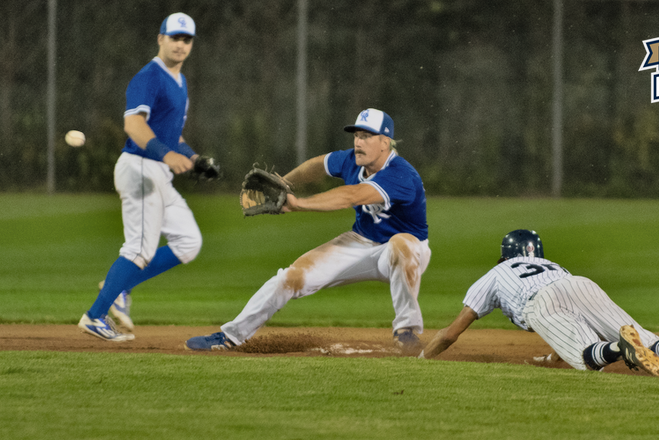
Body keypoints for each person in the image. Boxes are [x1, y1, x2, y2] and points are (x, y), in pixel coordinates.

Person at [185, 108, 430, 353]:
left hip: (409, 252)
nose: (358, 142)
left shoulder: (402, 175)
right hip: (361, 241)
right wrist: (285, 181)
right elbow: (319, 165)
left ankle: (406, 330)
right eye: (356, 135)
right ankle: (230, 336)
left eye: (366, 136)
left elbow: (351, 196)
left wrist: (299, 204)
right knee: (290, 277)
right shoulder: (351, 160)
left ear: (385, 143)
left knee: (401, 243)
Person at [419, 229, 659, 376]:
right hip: (580, 284)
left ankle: (619, 348)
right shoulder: (553, 265)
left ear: (505, 254)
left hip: (540, 301)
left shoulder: (497, 272)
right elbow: (570, 314)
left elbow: (451, 333)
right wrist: (554, 354)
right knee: (655, 353)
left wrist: (422, 357)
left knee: (587, 359)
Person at [79, 13, 215, 341]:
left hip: (158, 172)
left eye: (186, 39)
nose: (180, 44)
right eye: (174, 37)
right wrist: (167, 155)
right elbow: (134, 126)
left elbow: (171, 134)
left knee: (189, 242)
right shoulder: (149, 77)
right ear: (160, 38)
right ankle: (94, 316)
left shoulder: (180, 81)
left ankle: (121, 287)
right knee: (140, 249)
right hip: (140, 167)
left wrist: (194, 158)